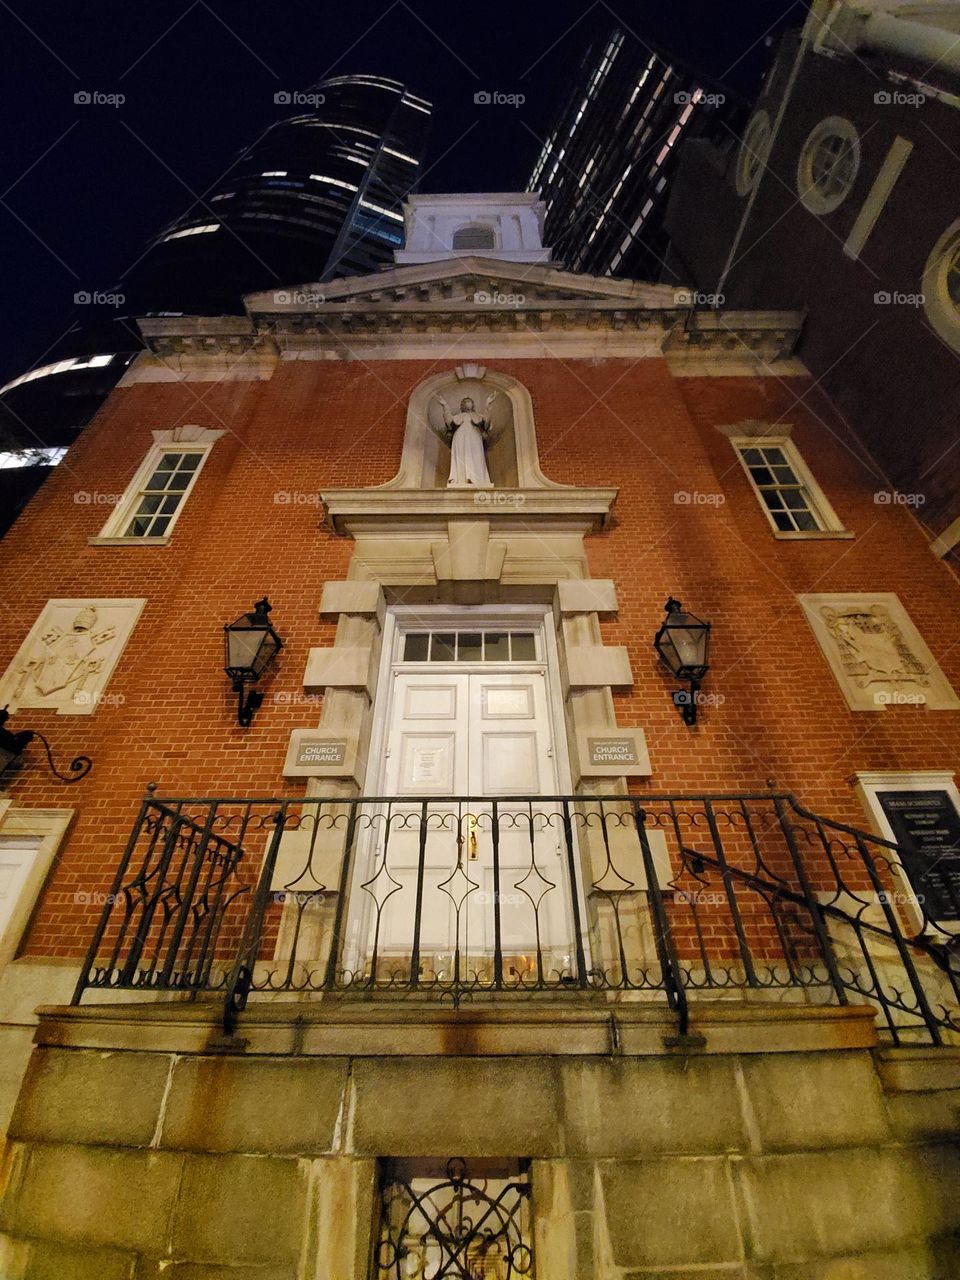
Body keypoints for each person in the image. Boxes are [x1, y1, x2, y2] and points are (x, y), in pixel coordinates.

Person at [435, 392, 498, 487]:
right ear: (462, 405)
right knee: (461, 454)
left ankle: (476, 478)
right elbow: (449, 422)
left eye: (469, 402)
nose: (467, 403)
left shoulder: (478, 416)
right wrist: (445, 406)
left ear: (473, 404)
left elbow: (486, 423)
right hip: (460, 437)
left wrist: (487, 404)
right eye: (465, 402)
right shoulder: (458, 417)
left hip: (475, 437)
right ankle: (459, 478)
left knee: (476, 455)